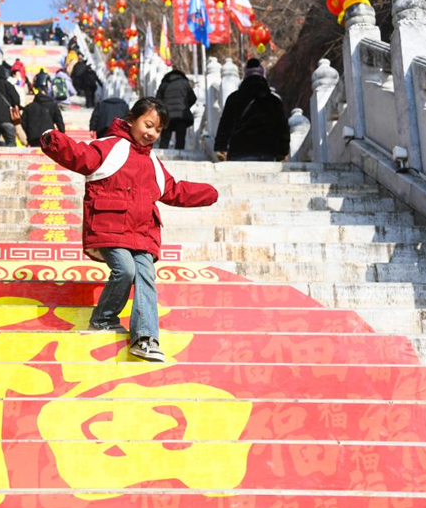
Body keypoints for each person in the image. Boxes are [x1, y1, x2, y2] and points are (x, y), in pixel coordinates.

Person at [39, 98, 219, 362]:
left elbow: (173, 190)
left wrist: (208, 193)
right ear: (132, 119)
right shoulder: (111, 147)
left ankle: (145, 338)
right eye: (148, 125)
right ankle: (103, 319)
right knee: (125, 270)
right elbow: (82, 156)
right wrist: (53, 140)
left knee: (146, 276)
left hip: (143, 233)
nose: (151, 134)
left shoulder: (154, 163)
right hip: (109, 227)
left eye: (157, 130)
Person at [215, 58, 290, 162]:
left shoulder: (233, 98)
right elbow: (282, 129)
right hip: (267, 153)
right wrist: (283, 151)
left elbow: (226, 125)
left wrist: (221, 147)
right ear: (263, 75)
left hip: (238, 153)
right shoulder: (274, 101)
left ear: (245, 76)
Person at [156, 68, 197, 150]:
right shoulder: (185, 83)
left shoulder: (164, 84)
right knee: (180, 138)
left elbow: (157, 100)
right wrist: (185, 106)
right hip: (181, 115)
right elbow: (193, 98)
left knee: (165, 138)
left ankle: (161, 156)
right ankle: (180, 154)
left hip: (167, 115)